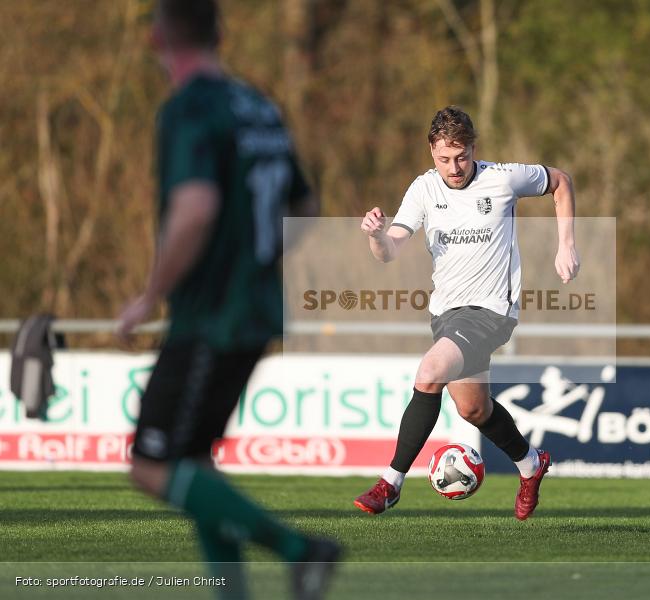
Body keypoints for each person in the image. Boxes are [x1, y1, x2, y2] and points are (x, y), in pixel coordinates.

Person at [116, 1, 338, 598]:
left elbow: (194, 210)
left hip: (210, 317)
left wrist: (148, 296)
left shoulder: (190, 109)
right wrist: (257, 259)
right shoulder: (259, 107)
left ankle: (300, 548)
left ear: (158, 35)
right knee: (194, 464)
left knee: (152, 466)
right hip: (255, 309)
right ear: (220, 31)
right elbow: (306, 207)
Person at [355, 106, 579, 520]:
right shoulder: (422, 190)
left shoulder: (503, 177)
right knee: (474, 409)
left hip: (492, 311)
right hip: (446, 314)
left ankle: (390, 484)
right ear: (431, 152)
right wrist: (377, 236)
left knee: (429, 372)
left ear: (473, 148)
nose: (454, 167)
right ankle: (531, 465)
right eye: (444, 159)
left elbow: (560, 181)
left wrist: (565, 244)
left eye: (461, 156)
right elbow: (391, 251)